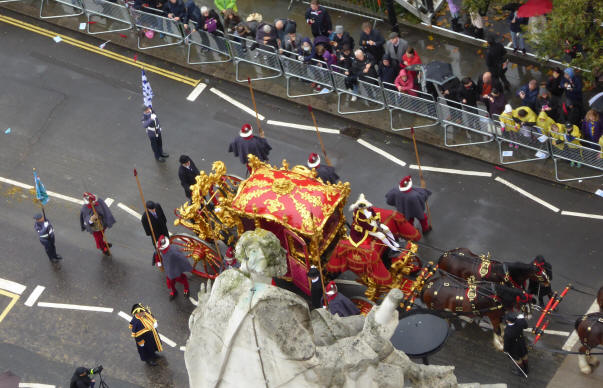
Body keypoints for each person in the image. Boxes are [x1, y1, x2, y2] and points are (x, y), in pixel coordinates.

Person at [155, 235, 193, 300]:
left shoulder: (173, 250)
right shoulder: (158, 251)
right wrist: (159, 264)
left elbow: (181, 258)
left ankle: (186, 289)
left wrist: (181, 266)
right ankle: (174, 291)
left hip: (175, 269)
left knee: (181, 279)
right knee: (171, 282)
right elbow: (157, 257)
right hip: (168, 270)